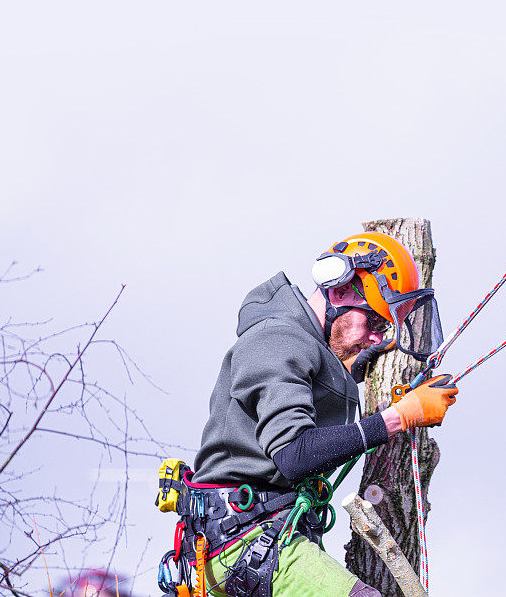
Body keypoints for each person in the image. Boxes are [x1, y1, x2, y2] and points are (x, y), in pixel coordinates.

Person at [190, 232, 458, 596]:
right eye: (375, 324)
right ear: (341, 291)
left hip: (269, 537)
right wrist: (399, 416)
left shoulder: (302, 345)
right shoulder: (276, 340)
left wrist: (360, 361)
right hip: (244, 541)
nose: (378, 338)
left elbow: (321, 378)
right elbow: (295, 453)